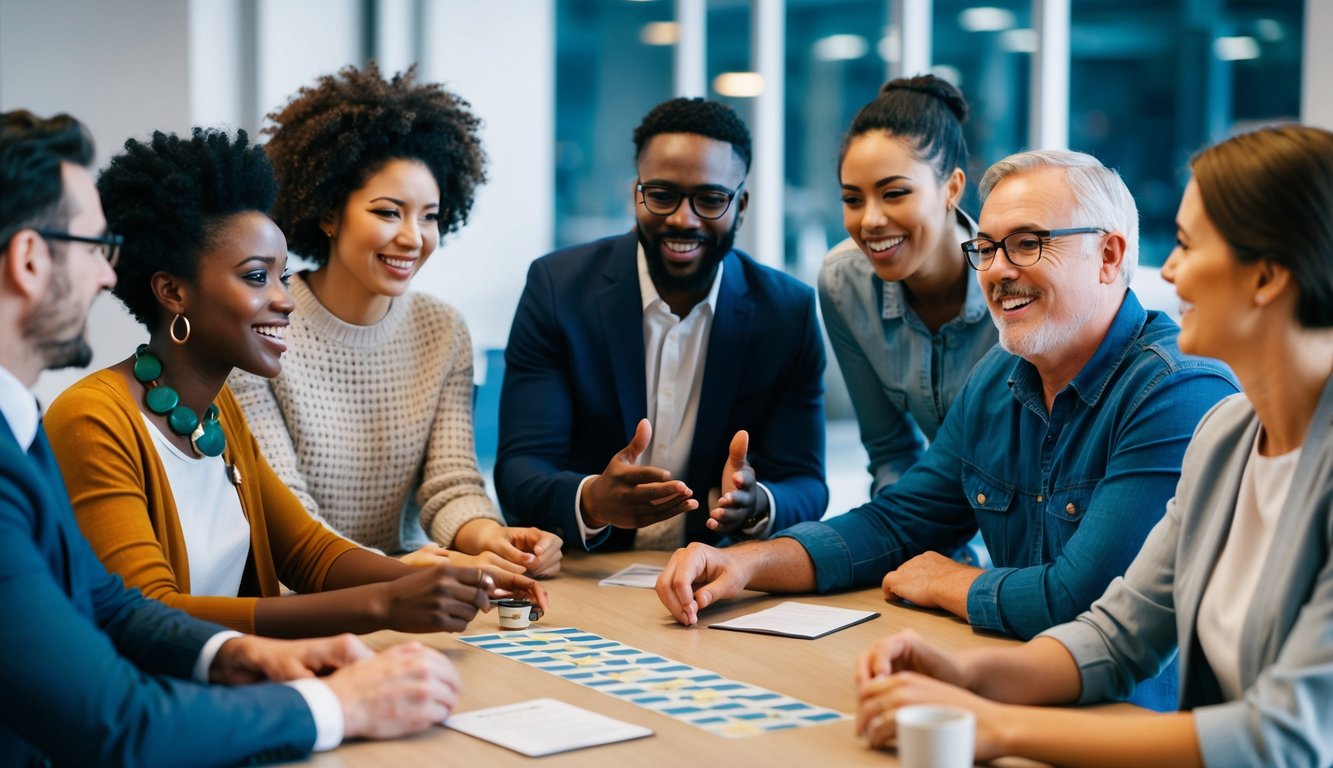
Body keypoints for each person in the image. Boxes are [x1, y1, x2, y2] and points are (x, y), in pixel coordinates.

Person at [657, 148, 1240, 708]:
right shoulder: (1000, 378)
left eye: (1027, 244)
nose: (999, 271)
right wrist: (745, 563)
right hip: (1007, 692)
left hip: (1128, 726)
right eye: (986, 248)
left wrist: (951, 582)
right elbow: (898, 521)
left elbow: (1081, 600)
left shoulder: (1177, 391)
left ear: (1109, 256)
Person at [853, 124, 1333, 768]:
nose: (1167, 269)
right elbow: (1118, 633)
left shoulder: (1187, 395)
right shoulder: (1228, 437)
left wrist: (998, 728)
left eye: (1188, 245)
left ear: (1268, 275)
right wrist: (967, 677)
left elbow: (1285, 736)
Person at [0, 109, 464, 767]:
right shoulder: (73, 422)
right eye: (92, 248)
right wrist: (342, 698)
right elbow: (119, 720)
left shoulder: (30, 428)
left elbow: (117, 607)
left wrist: (245, 653)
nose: (108, 274)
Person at [44, 126, 544, 638]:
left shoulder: (216, 416)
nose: (284, 301)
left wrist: (454, 576)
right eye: (257, 276)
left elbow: (308, 552)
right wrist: (384, 605)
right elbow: (150, 617)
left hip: (235, 686)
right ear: (172, 291)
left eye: (283, 277)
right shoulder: (93, 419)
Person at [230, 63, 561, 577]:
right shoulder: (263, 324)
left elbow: (450, 484)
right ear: (328, 213)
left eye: (429, 215)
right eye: (388, 212)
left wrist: (493, 538)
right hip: (300, 598)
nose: (413, 237)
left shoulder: (442, 329)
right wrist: (394, 574)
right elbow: (287, 514)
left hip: (407, 590)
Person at [496, 97, 827, 551]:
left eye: (709, 199)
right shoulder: (558, 290)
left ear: (741, 204)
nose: (681, 219)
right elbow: (520, 466)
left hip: (714, 577)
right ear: (638, 193)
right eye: (663, 195)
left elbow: (806, 481)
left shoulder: (786, 312)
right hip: (583, 574)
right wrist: (593, 500)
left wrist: (756, 502)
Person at [821, 75, 996, 498]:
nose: (870, 221)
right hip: (932, 521)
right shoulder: (844, 283)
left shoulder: (1011, 280)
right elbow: (891, 453)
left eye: (894, 193)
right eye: (853, 199)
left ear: (952, 188)